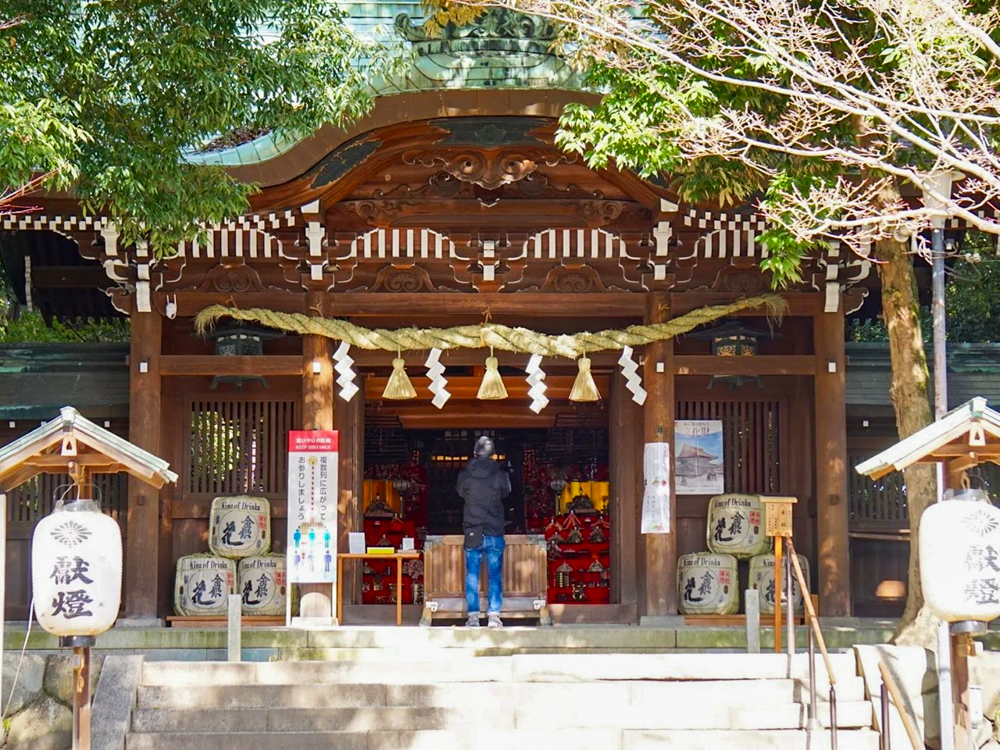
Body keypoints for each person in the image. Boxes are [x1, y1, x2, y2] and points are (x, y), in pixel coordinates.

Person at [456, 435, 511, 628]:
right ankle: (494, 616)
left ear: (474, 453)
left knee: (472, 574)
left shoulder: (465, 475)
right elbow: (507, 493)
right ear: (493, 454)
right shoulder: (501, 475)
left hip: (473, 529)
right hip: (495, 529)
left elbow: (460, 493)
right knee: (495, 574)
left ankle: (473, 617)